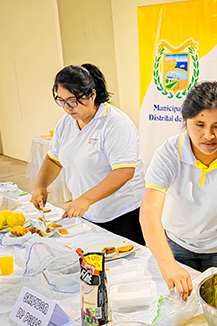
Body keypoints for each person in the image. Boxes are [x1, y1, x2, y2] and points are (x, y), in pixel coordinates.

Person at [141, 81, 217, 299]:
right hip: (177, 244)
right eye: (199, 125)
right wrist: (168, 264)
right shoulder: (169, 153)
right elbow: (149, 210)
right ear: (185, 121)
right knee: (177, 303)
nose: (209, 136)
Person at [31, 64, 146, 244]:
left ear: (92, 94)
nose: (68, 107)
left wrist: (86, 198)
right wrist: (41, 185)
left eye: (73, 100)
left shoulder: (116, 124)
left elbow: (124, 172)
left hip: (122, 213)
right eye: (61, 101)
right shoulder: (66, 123)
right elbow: (54, 159)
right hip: (87, 211)